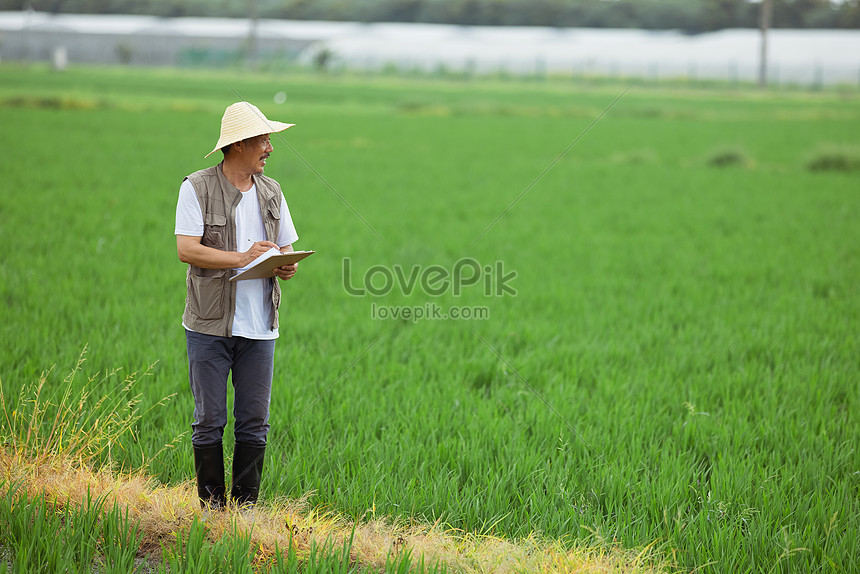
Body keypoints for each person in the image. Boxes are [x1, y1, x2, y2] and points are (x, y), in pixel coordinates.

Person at [174, 101, 300, 509]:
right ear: (240, 145)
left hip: (260, 326)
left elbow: (286, 246)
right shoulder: (196, 187)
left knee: (254, 423)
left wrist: (286, 264)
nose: (270, 147)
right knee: (209, 421)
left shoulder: (272, 191)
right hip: (209, 325)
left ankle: (244, 512)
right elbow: (187, 250)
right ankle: (212, 511)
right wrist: (242, 258)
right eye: (264, 140)